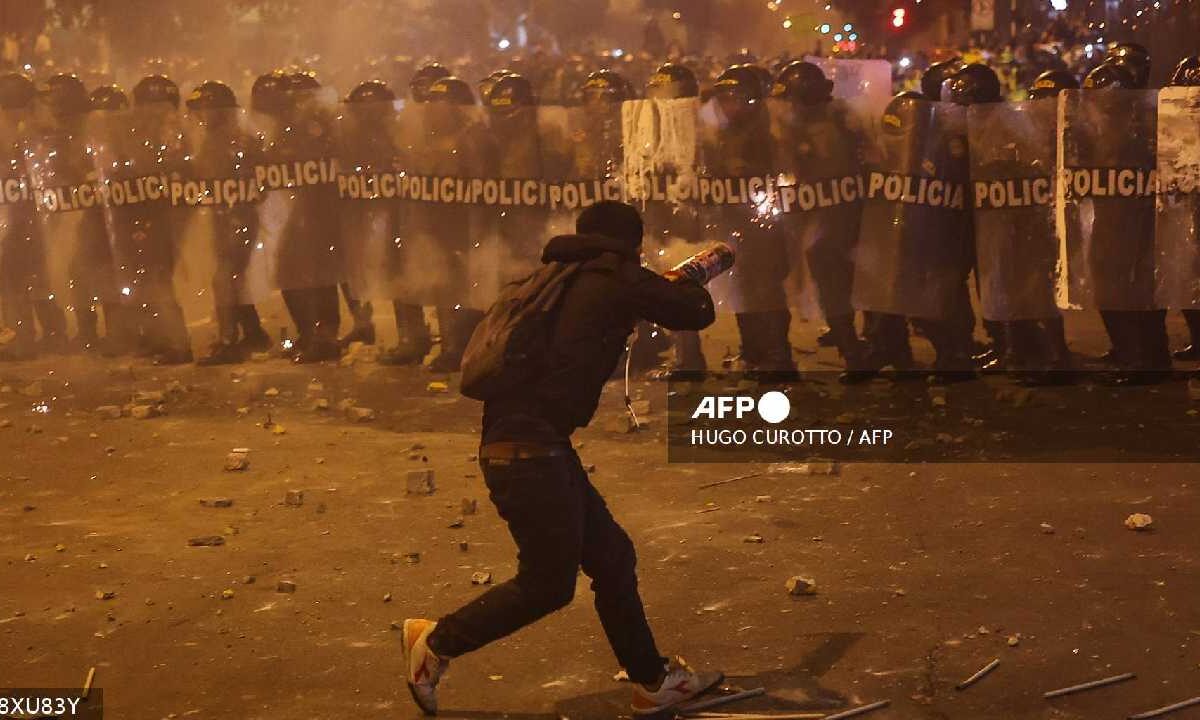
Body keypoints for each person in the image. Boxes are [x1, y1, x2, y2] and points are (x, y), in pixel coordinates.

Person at [401, 201, 722, 717]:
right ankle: (437, 643)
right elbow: (696, 313)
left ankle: (651, 681)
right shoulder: (617, 275)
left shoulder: (553, 276)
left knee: (613, 557)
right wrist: (692, 276)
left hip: (530, 445)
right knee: (548, 584)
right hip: (532, 453)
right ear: (630, 242)